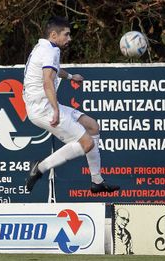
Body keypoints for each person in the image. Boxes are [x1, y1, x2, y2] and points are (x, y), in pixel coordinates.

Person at [23, 16, 119, 194]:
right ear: (54, 34)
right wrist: (56, 110)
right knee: (87, 143)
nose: (69, 38)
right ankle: (40, 168)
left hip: (43, 106)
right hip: (44, 109)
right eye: (66, 35)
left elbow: (53, 70)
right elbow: (47, 82)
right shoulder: (50, 51)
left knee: (92, 125)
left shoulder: (44, 47)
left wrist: (70, 77)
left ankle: (97, 181)